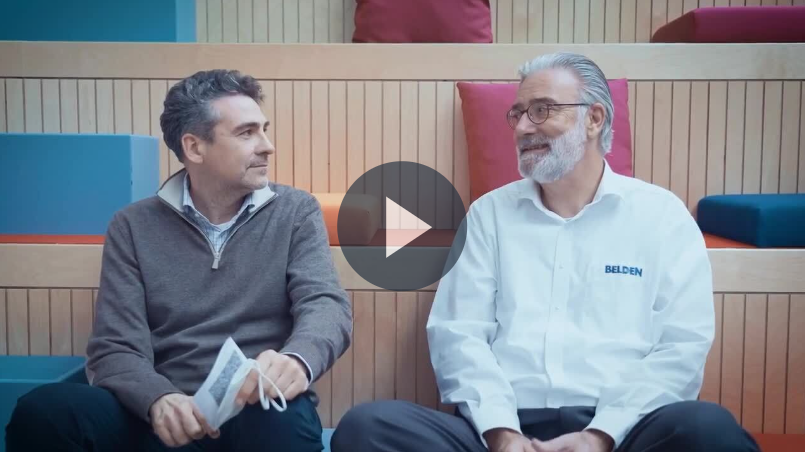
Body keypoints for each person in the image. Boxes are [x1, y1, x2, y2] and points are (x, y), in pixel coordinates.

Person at [331, 52, 759, 452]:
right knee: (366, 428)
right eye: (517, 113)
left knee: (710, 430)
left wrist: (599, 436)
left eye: (541, 110)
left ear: (594, 119)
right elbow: (458, 335)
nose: (522, 127)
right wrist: (503, 435)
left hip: (624, 431)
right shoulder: (489, 215)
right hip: (502, 427)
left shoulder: (661, 215)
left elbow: (681, 348)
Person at [6, 69, 352, 452]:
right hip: (162, 413)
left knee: (282, 419)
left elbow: (325, 304)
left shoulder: (296, 211)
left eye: (264, 130)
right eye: (247, 133)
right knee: (43, 411)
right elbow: (115, 347)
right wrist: (158, 399)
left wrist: (298, 359)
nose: (267, 146)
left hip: (256, 407)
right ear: (194, 147)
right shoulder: (132, 226)